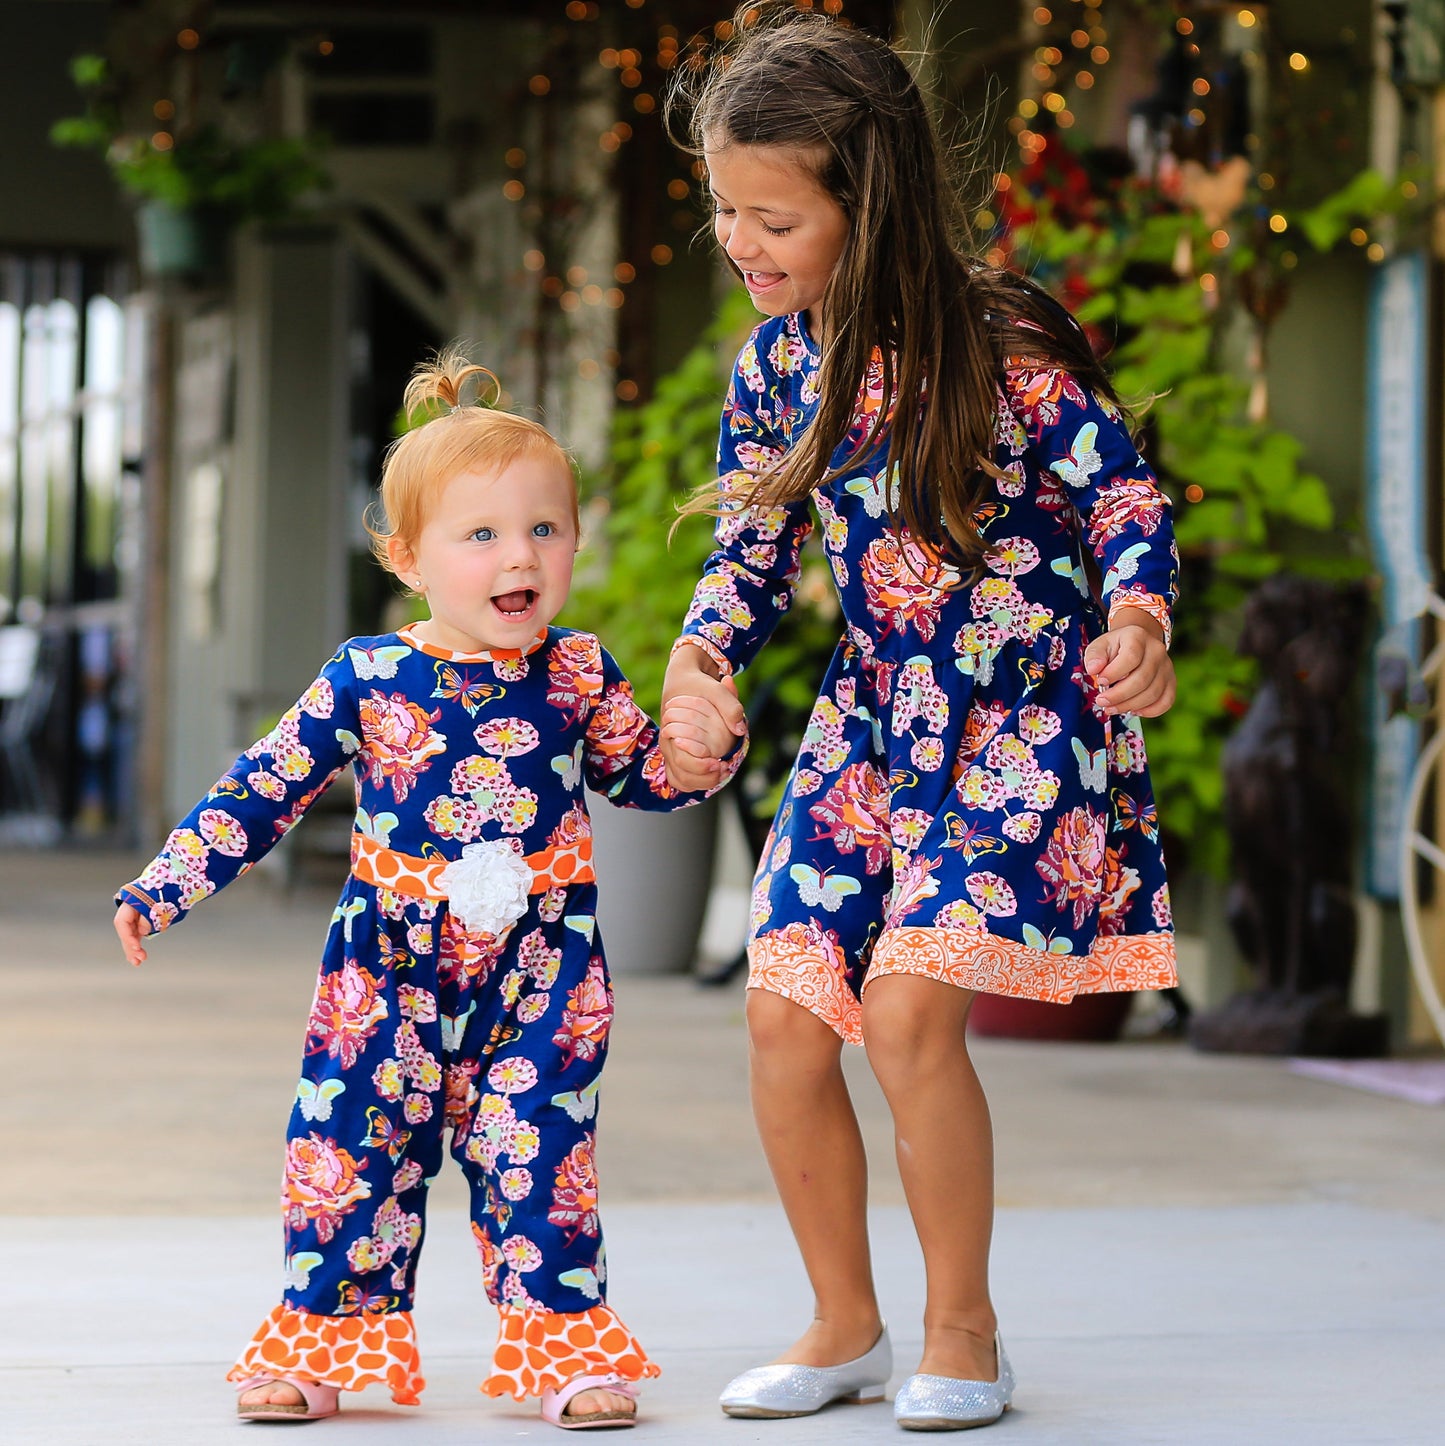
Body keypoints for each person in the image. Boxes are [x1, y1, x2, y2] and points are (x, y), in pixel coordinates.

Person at [658, 4, 1179, 1432]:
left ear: (865, 199)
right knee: (780, 1016)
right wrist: (701, 662)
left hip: (1018, 725)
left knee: (902, 1013)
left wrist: (1140, 620)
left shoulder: (998, 343)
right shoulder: (774, 368)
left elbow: (1124, 493)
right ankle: (843, 1319)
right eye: (723, 211)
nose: (741, 243)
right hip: (873, 727)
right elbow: (748, 554)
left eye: (772, 215)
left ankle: (965, 1327)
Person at [113, 352, 745, 1431]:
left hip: (543, 966)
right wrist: (168, 883)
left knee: (539, 1151)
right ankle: (320, 1351)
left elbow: (638, 776)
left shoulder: (577, 673)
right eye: (483, 535)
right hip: (386, 966)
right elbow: (263, 785)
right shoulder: (367, 677)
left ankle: (563, 1353)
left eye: (545, 530)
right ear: (408, 558)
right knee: (350, 1149)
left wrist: (699, 755)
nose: (521, 557)